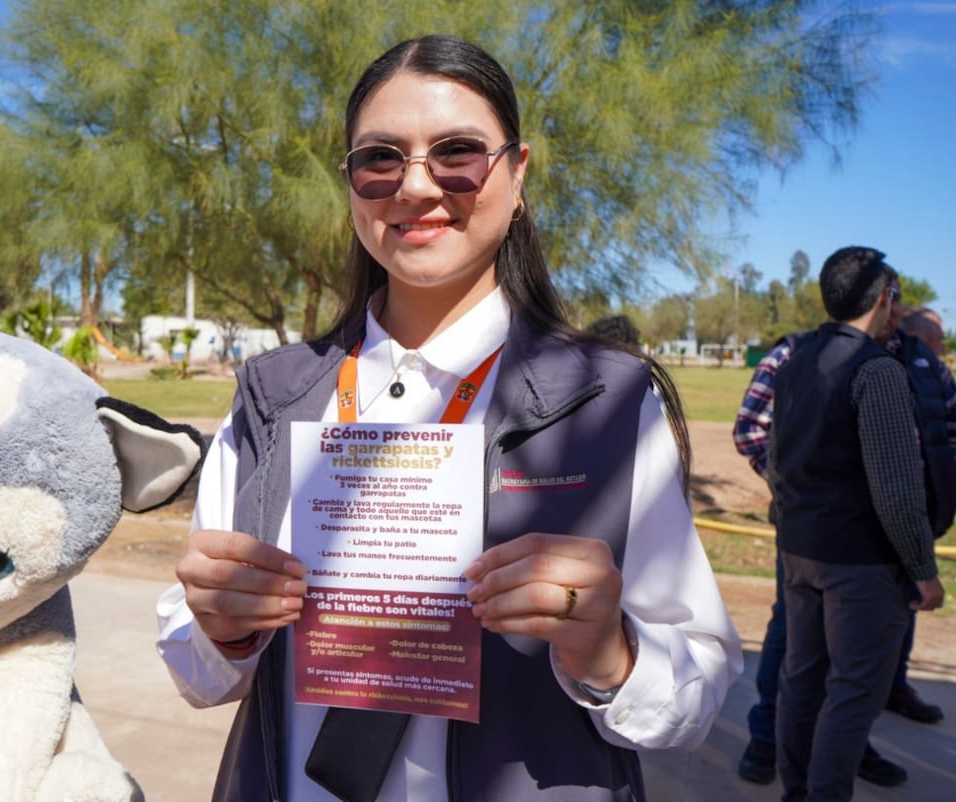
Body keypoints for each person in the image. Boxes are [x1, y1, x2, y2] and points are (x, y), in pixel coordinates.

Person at [157, 34, 742, 802]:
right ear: (352, 184)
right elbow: (199, 674)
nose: (417, 187)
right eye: (381, 159)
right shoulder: (274, 398)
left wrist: (611, 652)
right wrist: (220, 629)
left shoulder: (609, 402)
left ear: (517, 172)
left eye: (457, 153)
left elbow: (695, 700)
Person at [733, 267, 956, 787]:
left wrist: (805, 498)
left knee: (804, 679)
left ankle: (798, 785)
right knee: (851, 694)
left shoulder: (800, 360)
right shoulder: (875, 369)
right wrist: (923, 568)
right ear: (883, 299)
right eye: (896, 298)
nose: (898, 310)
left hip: (806, 545)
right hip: (862, 556)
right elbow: (896, 488)